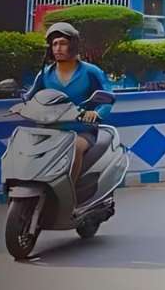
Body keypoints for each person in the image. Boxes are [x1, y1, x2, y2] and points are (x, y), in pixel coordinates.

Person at [27, 23, 113, 186]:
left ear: (73, 46)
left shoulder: (91, 71)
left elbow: (108, 98)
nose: (58, 48)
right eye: (54, 44)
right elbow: (30, 97)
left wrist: (96, 113)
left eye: (63, 43)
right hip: (50, 129)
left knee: (74, 148)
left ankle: (68, 190)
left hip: (81, 130)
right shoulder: (45, 74)